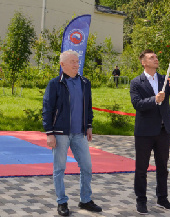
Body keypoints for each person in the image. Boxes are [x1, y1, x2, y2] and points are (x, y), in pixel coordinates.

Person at [42, 50, 102, 216]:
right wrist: (49, 133)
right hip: (60, 133)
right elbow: (47, 109)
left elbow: (88, 106)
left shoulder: (85, 82)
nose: (77, 64)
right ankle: (62, 202)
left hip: (79, 134)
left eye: (77, 61)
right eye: (73, 62)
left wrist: (88, 125)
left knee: (87, 167)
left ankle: (85, 200)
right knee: (59, 169)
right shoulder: (54, 84)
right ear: (62, 65)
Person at [130, 49, 170, 215]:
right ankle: (141, 200)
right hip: (144, 132)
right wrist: (154, 99)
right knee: (142, 168)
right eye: (151, 57)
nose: (156, 59)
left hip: (163, 130)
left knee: (162, 166)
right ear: (143, 62)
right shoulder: (136, 82)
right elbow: (137, 104)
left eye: (156, 57)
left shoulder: (164, 79)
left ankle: (162, 198)